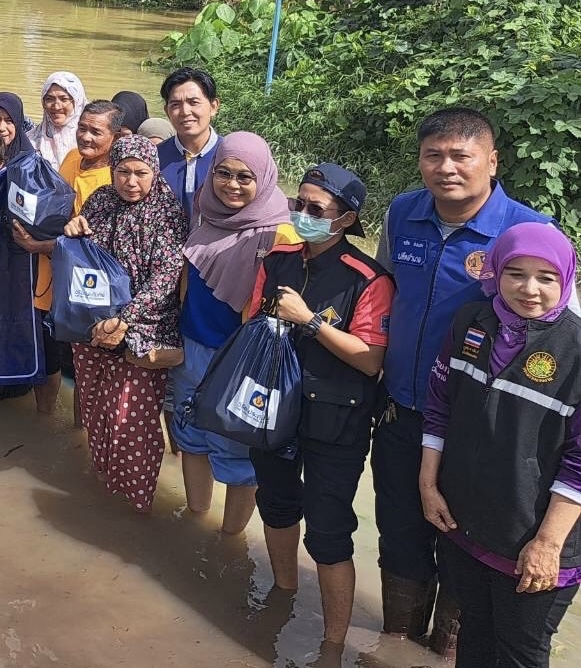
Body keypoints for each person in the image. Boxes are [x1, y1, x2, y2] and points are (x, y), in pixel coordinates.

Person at [373, 107, 552, 652]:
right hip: (401, 409)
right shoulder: (403, 212)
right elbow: (380, 296)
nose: (445, 167)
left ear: (492, 161)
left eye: (460, 155)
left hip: (479, 429)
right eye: (433, 155)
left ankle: (448, 648)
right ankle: (396, 644)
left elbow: (556, 334)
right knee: (399, 533)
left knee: (467, 546)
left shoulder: (529, 232)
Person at [421, 223, 581, 668]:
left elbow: (580, 462)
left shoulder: (576, 349)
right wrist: (429, 485)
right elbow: (440, 409)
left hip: (535, 540)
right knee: (473, 636)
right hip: (466, 527)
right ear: (495, 272)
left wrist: (546, 544)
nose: (529, 289)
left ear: (567, 279)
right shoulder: (471, 322)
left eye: (546, 277)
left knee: (520, 655)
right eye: (516, 273)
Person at [249, 163, 395, 650]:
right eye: (299, 204)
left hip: (337, 421)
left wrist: (309, 321)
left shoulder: (367, 277)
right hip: (272, 408)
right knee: (275, 506)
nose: (303, 215)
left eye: (317, 209)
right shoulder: (278, 261)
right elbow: (253, 327)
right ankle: (283, 595)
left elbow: (371, 360)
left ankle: (333, 644)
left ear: (347, 219)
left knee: (330, 529)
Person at [171, 131, 297, 535]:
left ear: (264, 178)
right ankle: (195, 522)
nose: (232, 185)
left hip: (242, 360)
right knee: (191, 436)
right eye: (223, 173)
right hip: (192, 345)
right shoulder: (203, 209)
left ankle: (229, 541)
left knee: (239, 450)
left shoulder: (280, 233)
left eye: (245, 177)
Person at [61, 134, 188, 512]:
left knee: (131, 419)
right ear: (112, 170)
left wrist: (126, 319)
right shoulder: (99, 201)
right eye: (123, 172)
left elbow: (166, 276)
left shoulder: (167, 212)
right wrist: (73, 228)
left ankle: (136, 504)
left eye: (141, 172)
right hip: (93, 325)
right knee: (96, 407)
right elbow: (81, 255)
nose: (131, 181)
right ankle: (103, 484)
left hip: (144, 328)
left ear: (154, 172)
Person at [12, 100, 123, 416]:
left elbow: (92, 249)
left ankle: (79, 434)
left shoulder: (114, 181)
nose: (86, 137)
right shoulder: (73, 158)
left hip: (85, 294)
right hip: (49, 282)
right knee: (49, 358)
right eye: (82, 128)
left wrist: (36, 246)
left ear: (115, 136)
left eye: (96, 132)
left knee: (83, 367)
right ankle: (45, 425)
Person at [156, 67, 222, 216]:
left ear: (213, 106)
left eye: (193, 102)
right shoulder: (154, 158)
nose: (185, 112)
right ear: (167, 111)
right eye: (175, 105)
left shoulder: (231, 156)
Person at [26, 72, 87, 166]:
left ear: (77, 102)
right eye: (49, 99)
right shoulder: (31, 141)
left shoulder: (89, 142)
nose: (57, 106)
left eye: (64, 99)